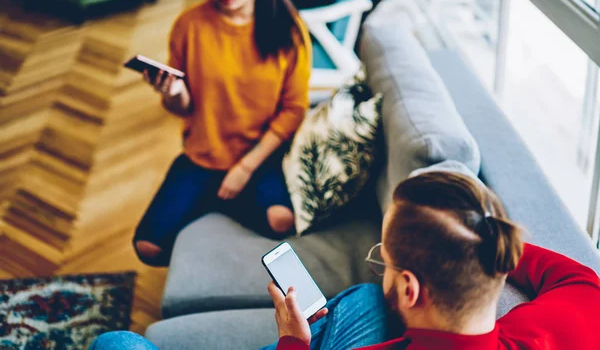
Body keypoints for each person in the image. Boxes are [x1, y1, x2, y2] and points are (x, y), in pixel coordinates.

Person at [93, 170, 600, 349]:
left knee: (116, 342)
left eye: (385, 258)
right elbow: (581, 279)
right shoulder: (580, 313)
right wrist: (468, 245)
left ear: (408, 290)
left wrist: (293, 343)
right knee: (359, 298)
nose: (379, 264)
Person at [133, 0, 311, 266]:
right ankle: (218, 200)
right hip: (203, 154)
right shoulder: (189, 25)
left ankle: (216, 201)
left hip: (260, 155)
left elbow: (294, 110)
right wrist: (174, 93)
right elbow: (183, 108)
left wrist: (244, 169)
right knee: (148, 248)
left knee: (280, 221)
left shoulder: (290, 30)